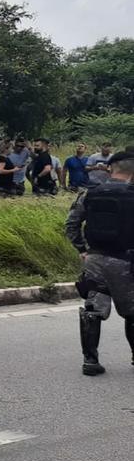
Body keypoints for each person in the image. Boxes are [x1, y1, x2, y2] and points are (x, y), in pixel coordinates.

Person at [64, 152, 134, 376]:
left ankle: (90, 361)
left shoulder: (89, 194)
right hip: (127, 262)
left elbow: (71, 224)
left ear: (110, 169)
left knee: (93, 309)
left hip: (94, 260)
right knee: (133, 312)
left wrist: (82, 250)